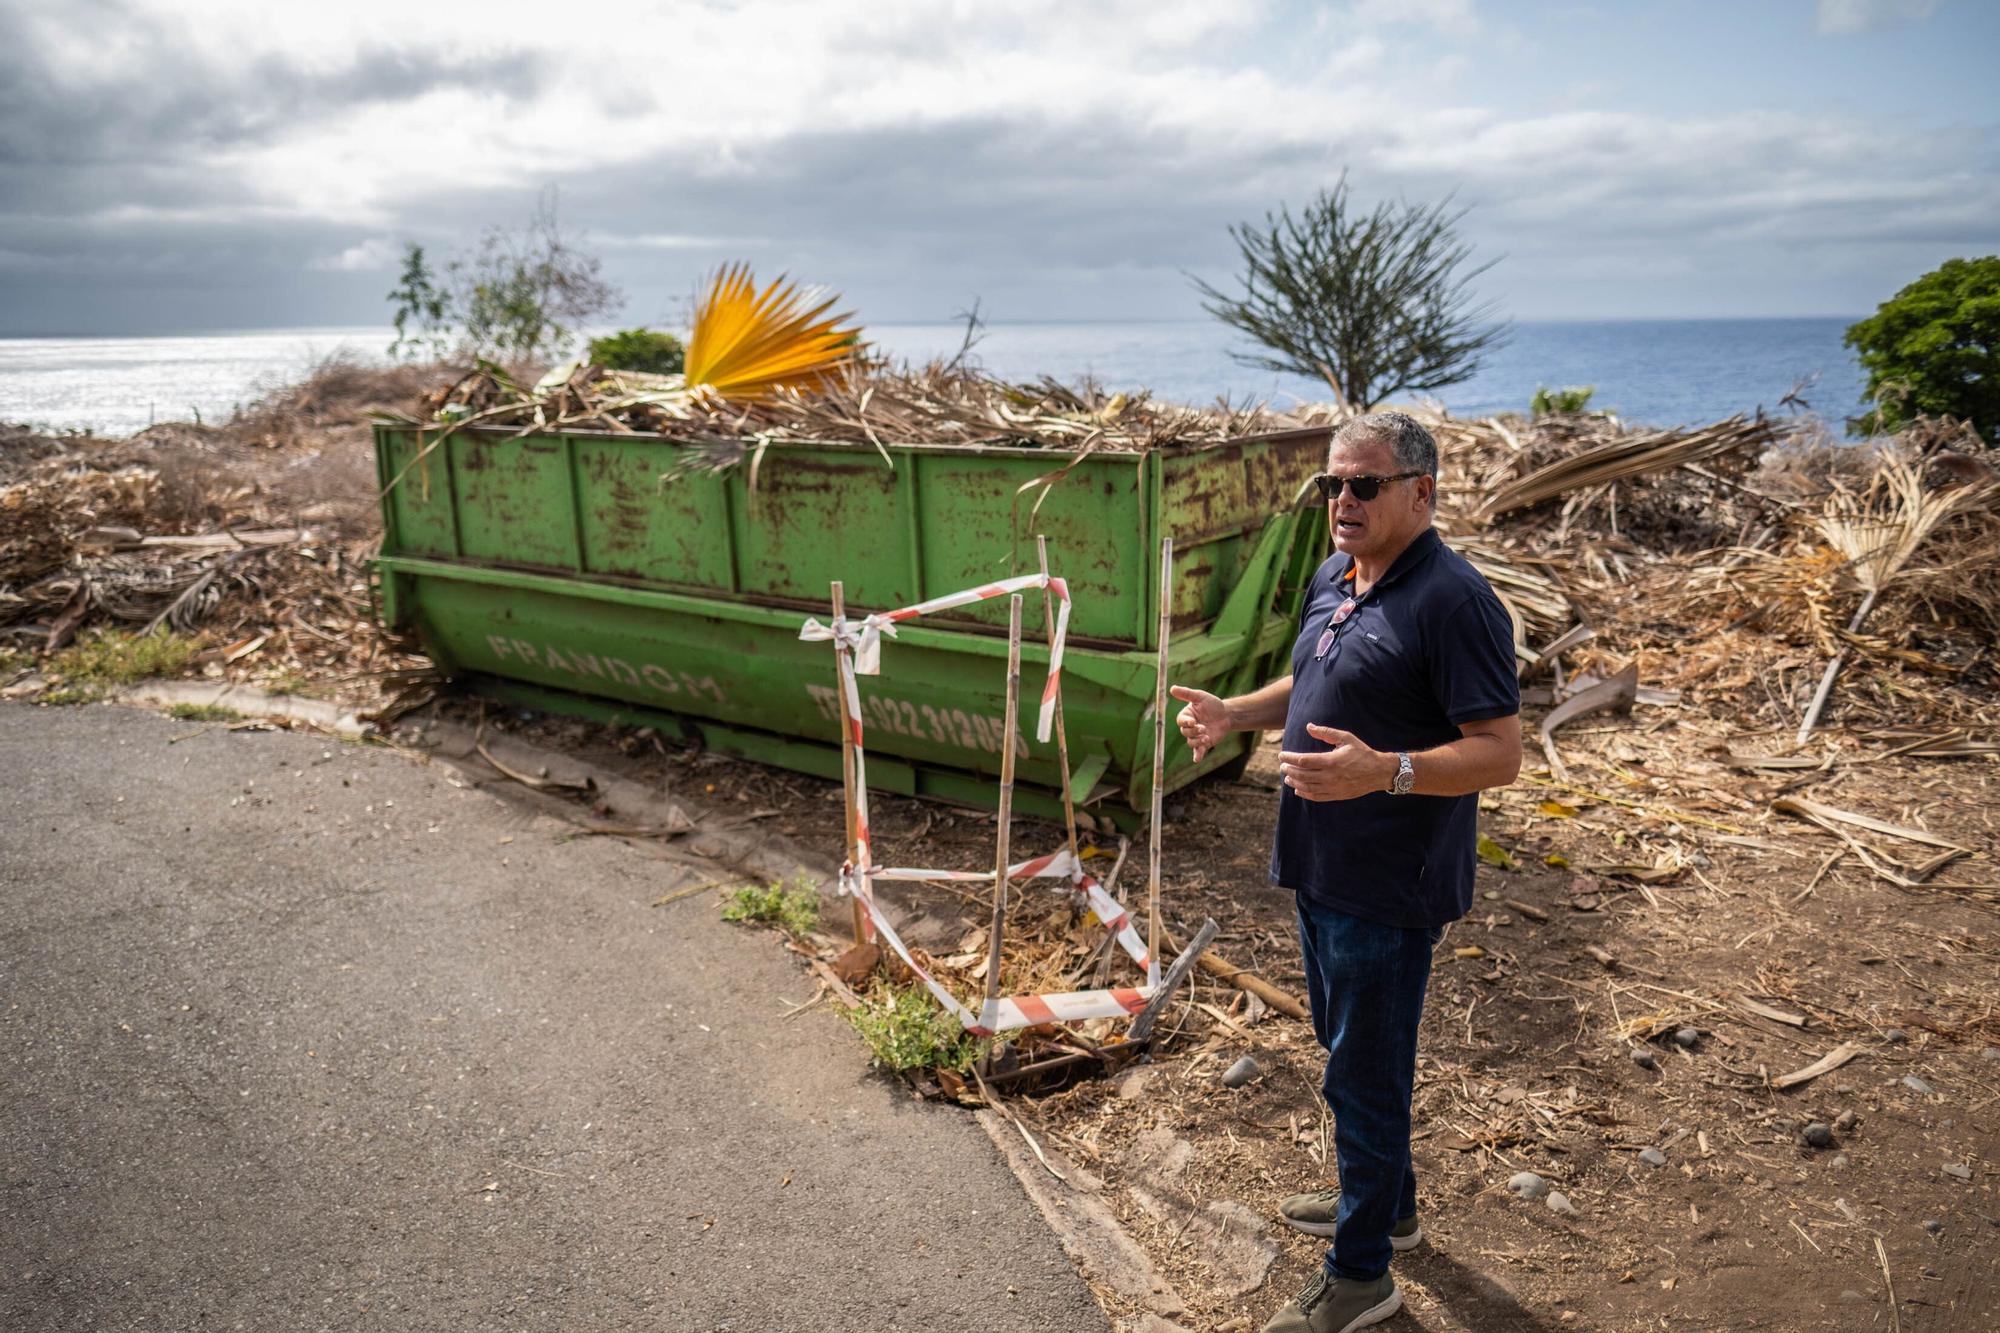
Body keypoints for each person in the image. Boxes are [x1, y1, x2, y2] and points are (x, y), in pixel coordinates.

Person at [1171, 412, 1522, 1333]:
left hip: (1390, 883)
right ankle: (1389, 1207)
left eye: (1364, 484)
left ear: (1422, 492)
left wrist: (1388, 769)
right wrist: (1232, 712)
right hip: (1319, 864)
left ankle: (1363, 1275)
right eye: (1332, 484)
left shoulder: (1456, 602)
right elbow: (1317, 679)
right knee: (1347, 1054)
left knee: (1364, 1074)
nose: (1343, 501)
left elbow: (1499, 751)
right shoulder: (1336, 576)